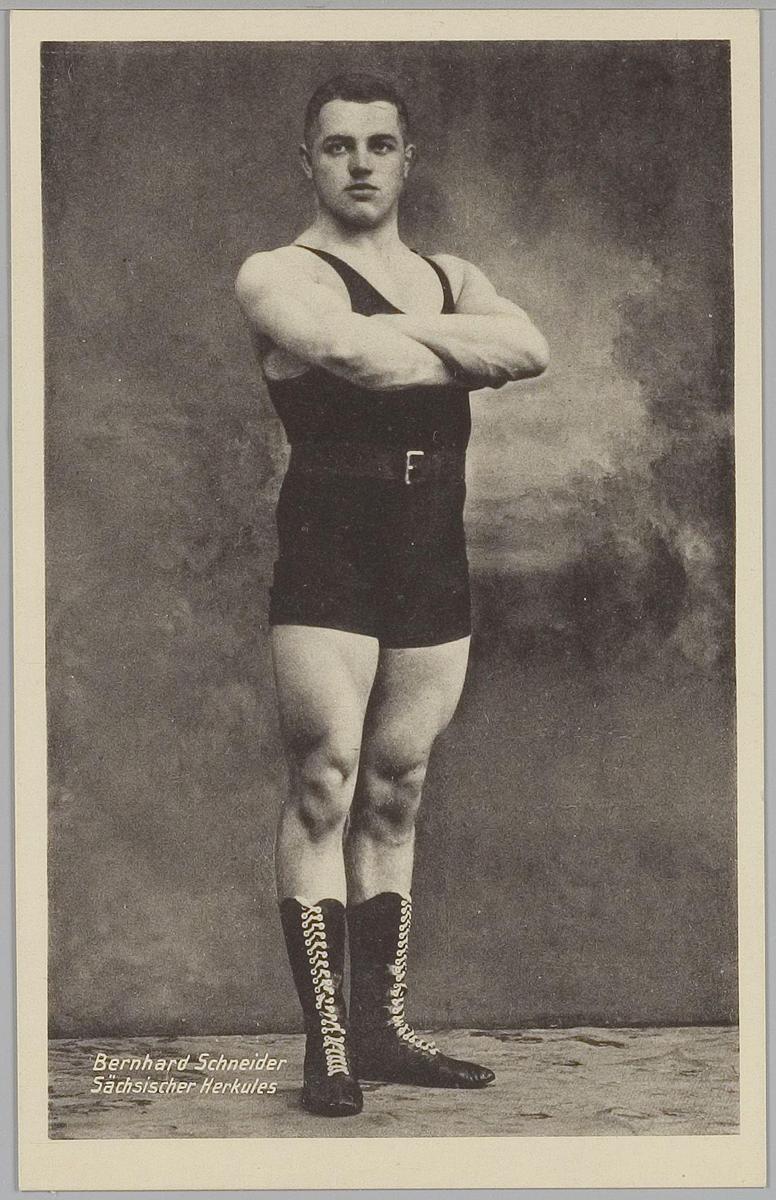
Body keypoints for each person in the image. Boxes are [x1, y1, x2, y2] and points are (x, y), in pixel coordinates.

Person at [236, 72, 548, 1118]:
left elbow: (532, 348)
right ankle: (328, 1045)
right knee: (325, 781)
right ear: (308, 161)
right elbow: (350, 358)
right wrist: (467, 352)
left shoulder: (453, 271)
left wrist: (413, 340)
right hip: (330, 549)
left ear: (409, 160)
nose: (361, 163)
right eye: (338, 146)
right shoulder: (278, 272)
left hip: (429, 548)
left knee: (397, 786)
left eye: (379, 144)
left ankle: (382, 1028)